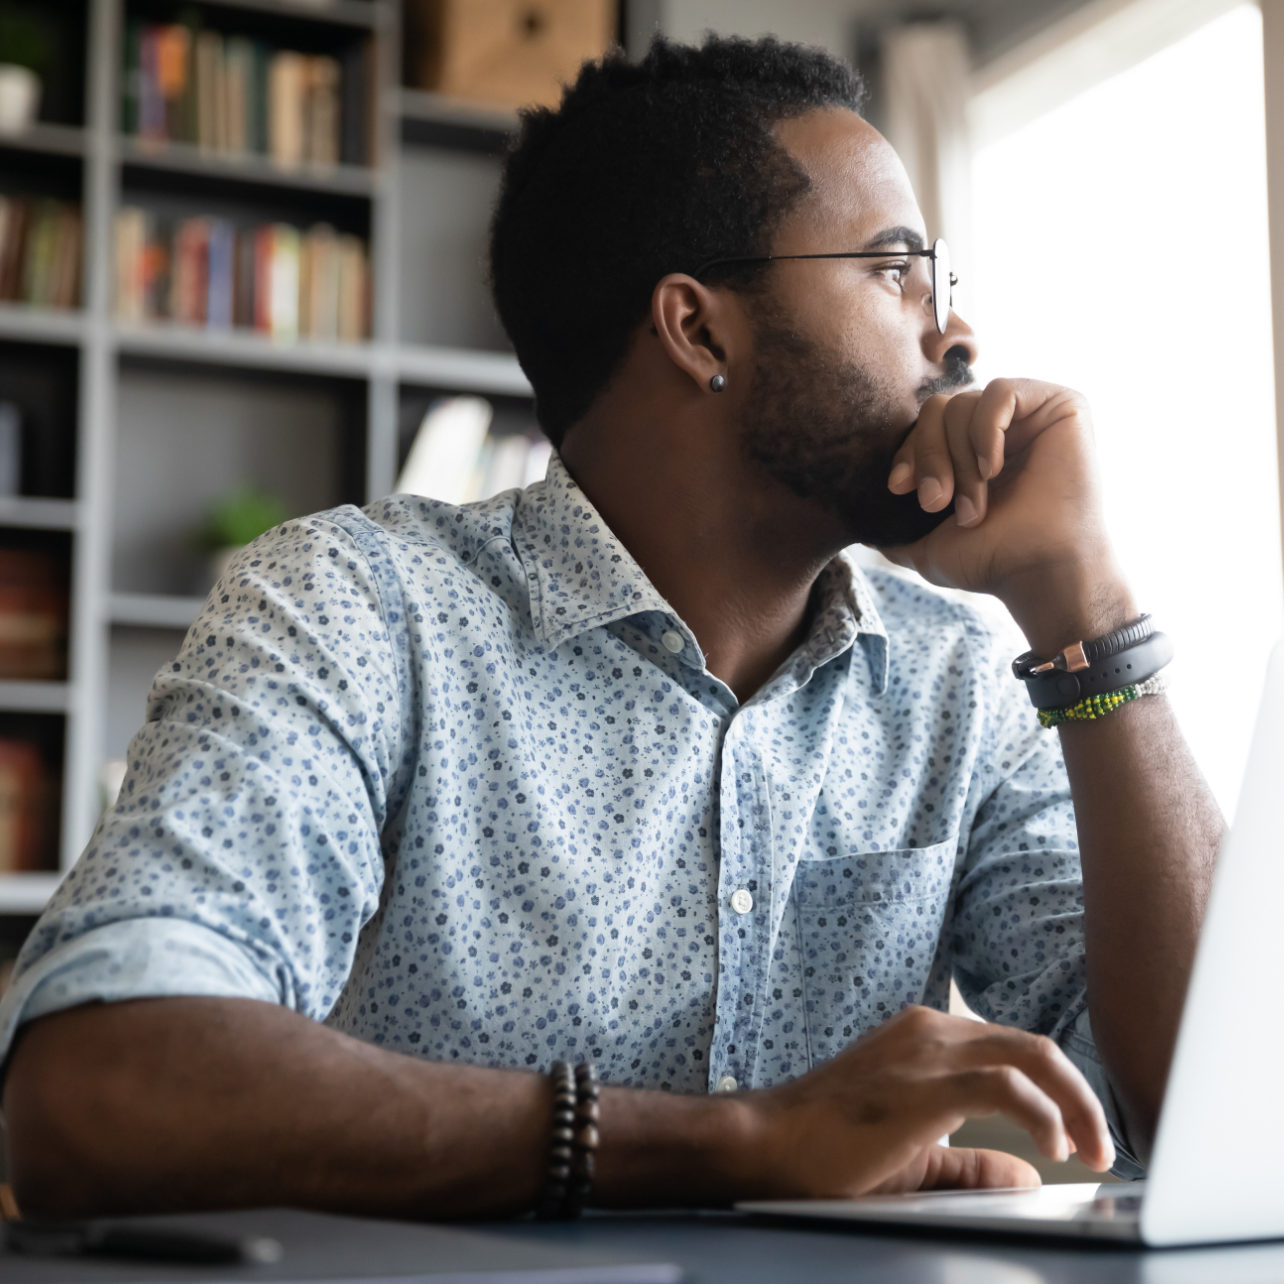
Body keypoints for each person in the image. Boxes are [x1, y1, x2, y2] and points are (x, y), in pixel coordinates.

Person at [1, 35, 1221, 1219]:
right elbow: (100, 1084)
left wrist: (1089, 610)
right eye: (895, 269)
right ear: (700, 330)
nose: (953, 334)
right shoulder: (360, 611)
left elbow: (1216, 1109)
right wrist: (740, 1144)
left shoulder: (959, 679)